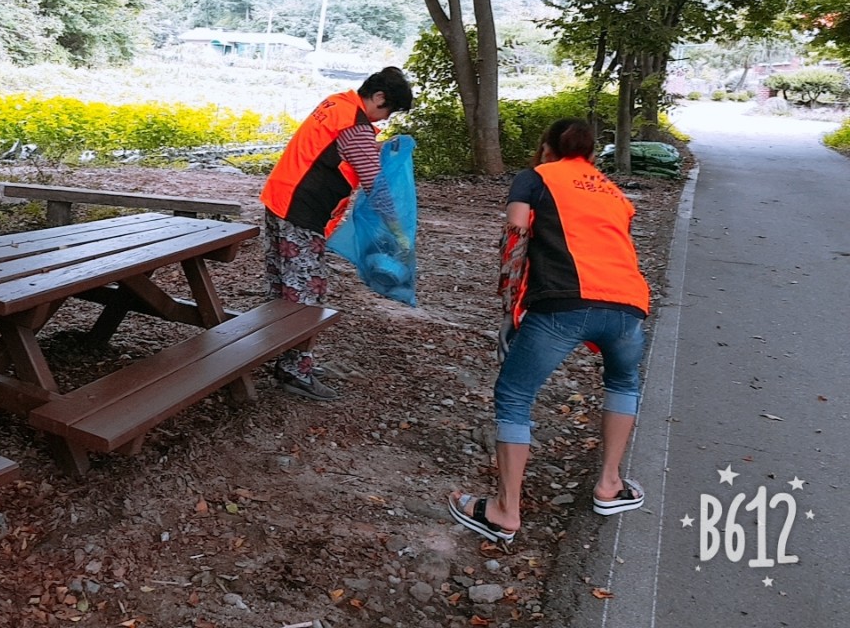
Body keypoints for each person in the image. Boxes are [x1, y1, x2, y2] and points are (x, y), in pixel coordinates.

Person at [448, 118, 650, 543]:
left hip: (564, 302)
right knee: (623, 382)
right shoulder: (614, 193)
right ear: (591, 154)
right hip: (629, 306)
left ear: (546, 148)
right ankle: (610, 484)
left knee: (515, 394)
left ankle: (505, 510)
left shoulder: (536, 177)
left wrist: (509, 311)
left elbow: (516, 237)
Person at [259, 66, 415, 401]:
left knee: (283, 286)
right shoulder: (355, 126)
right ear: (379, 97)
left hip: (280, 199)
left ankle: (284, 357)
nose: (385, 119)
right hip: (301, 212)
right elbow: (376, 187)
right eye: (388, 111)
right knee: (306, 293)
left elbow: (339, 150)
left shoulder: (337, 103)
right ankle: (294, 371)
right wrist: (398, 231)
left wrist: (379, 148)